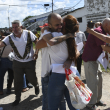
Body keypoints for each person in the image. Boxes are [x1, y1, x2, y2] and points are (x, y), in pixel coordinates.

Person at [36, 13, 80, 110]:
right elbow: (77, 52)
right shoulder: (70, 36)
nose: (59, 27)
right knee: (73, 103)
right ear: (49, 25)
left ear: (64, 24)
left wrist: (44, 31)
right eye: (57, 25)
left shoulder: (56, 36)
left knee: (50, 105)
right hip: (64, 73)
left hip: (55, 75)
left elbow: (39, 45)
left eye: (61, 24)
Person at [0, 20, 39, 106]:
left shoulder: (28, 33)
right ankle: (17, 98)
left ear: (20, 27)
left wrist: (36, 52)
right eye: (13, 27)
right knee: (17, 81)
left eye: (16, 27)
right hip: (17, 62)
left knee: (31, 78)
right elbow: (1, 44)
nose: (14, 29)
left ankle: (36, 85)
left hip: (29, 62)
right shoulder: (10, 37)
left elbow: (37, 42)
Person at [82, 18, 110, 110]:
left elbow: (103, 46)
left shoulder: (103, 31)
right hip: (90, 60)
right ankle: (90, 104)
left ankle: (97, 100)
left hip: (96, 60)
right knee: (92, 82)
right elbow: (104, 46)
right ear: (106, 25)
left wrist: (105, 53)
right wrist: (106, 51)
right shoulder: (99, 31)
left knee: (99, 79)